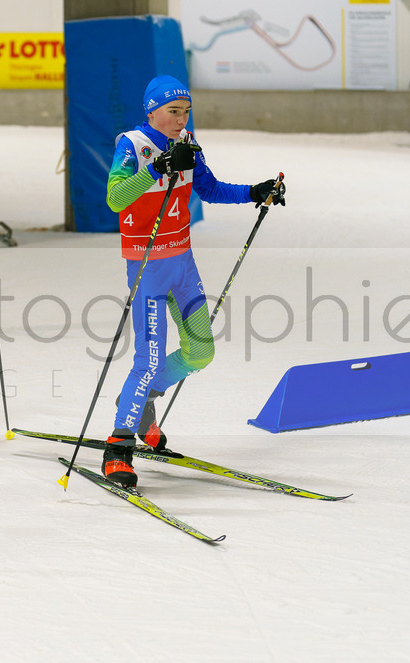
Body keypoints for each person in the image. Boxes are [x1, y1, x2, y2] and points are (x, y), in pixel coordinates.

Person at [101, 75, 285, 487]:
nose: (180, 119)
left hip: (183, 264)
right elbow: (115, 198)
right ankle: (119, 445)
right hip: (147, 266)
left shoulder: (188, 145)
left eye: (185, 112)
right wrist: (157, 168)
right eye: (172, 112)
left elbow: (211, 189)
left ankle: (142, 399)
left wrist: (255, 191)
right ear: (152, 111)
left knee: (200, 352)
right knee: (147, 361)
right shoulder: (132, 145)